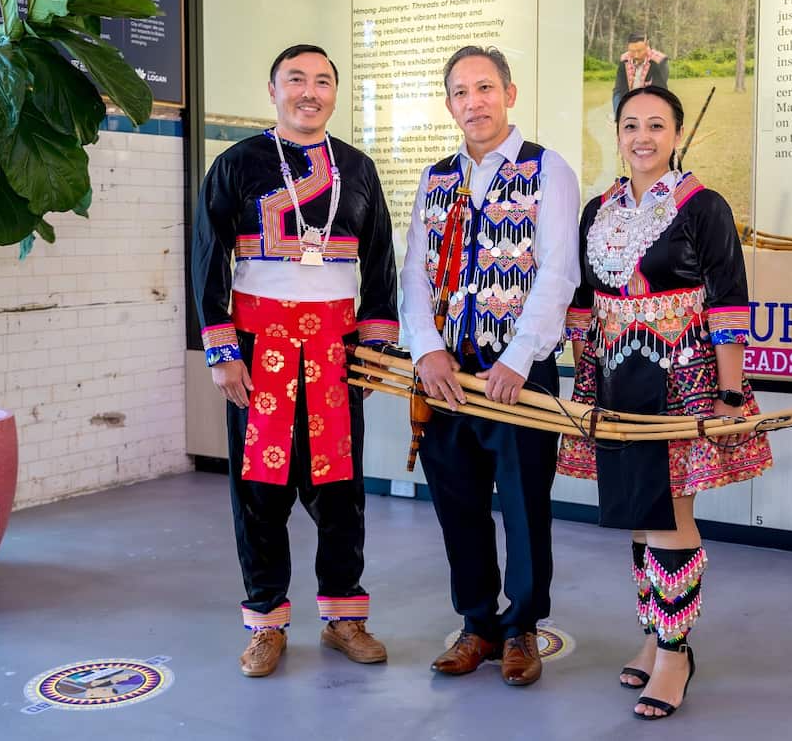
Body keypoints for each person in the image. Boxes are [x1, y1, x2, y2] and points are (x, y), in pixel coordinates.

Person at [558, 85, 772, 719]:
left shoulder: (703, 206)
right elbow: (580, 300)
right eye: (630, 125)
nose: (642, 136)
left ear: (676, 133)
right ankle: (653, 635)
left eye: (656, 125)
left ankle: (676, 652)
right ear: (617, 134)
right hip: (616, 374)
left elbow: (729, 300)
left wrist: (730, 394)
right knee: (637, 507)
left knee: (670, 512)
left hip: (682, 376)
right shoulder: (599, 207)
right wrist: (583, 376)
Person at [192, 43, 399, 677]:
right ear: (273, 89)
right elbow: (206, 259)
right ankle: (266, 621)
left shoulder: (359, 171)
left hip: (335, 357)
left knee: (341, 492)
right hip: (260, 355)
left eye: (323, 81)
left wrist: (371, 347)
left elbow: (382, 264)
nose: (310, 91)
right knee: (259, 492)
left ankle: (343, 618)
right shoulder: (237, 165)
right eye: (296, 79)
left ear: (335, 93)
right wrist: (223, 353)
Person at [401, 46, 580, 687]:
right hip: (447, 376)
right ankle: (477, 625)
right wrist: (425, 348)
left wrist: (517, 358)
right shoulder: (437, 178)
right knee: (458, 504)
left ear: (510, 92)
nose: (472, 101)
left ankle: (523, 630)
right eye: (459, 91)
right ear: (449, 103)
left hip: (516, 375)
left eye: (484, 87)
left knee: (526, 506)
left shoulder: (547, 170)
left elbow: (559, 273)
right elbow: (414, 276)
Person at [612, 34, 669, 116]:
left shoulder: (659, 61)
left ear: (647, 45)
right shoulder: (624, 59)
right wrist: (619, 113)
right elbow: (619, 90)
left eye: (639, 51)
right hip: (629, 107)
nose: (636, 55)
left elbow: (660, 92)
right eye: (632, 51)